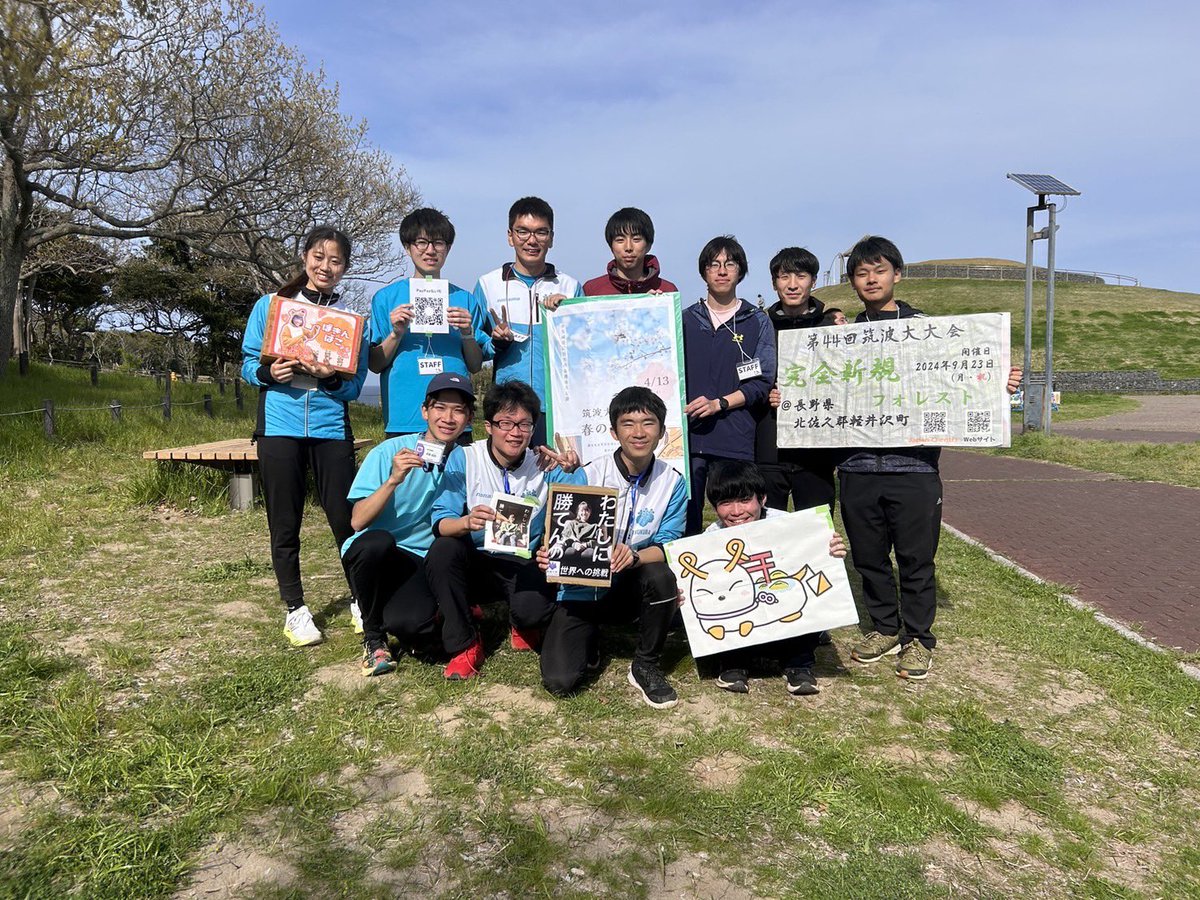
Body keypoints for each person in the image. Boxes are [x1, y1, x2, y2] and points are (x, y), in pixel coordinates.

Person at [838, 236, 1021, 680]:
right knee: (869, 557)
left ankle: (918, 639)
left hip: (915, 468)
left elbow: (960, 378)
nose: (871, 279)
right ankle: (884, 626)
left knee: (917, 559)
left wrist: (999, 384)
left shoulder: (927, 330)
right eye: (861, 274)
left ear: (896, 274)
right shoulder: (841, 336)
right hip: (856, 466)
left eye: (879, 271)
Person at [240, 226, 369, 647]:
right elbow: (246, 363)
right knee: (284, 521)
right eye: (318, 257)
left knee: (346, 519)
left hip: (332, 427)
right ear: (304, 258)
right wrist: (267, 373)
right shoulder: (272, 306)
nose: (325, 266)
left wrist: (332, 379)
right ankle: (295, 609)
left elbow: (353, 387)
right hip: (279, 426)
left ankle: (360, 600)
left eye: (335, 260)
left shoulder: (351, 322)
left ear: (345, 267)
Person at [538, 387, 688, 708]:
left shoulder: (673, 481)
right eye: (628, 423)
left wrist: (634, 557)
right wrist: (550, 553)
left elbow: (668, 544)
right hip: (582, 588)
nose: (638, 432)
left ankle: (645, 664)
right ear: (613, 431)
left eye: (648, 423)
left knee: (661, 575)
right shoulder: (588, 474)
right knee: (560, 681)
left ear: (662, 432)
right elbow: (559, 535)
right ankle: (589, 633)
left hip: (631, 587)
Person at [426, 380, 578, 679]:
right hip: (477, 558)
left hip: (523, 560)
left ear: (534, 428)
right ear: (488, 426)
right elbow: (441, 520)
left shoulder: (545, 463)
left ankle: (521, 622)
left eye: (524, 424)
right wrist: (466, 522)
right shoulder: (465, 457)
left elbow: (575, 511)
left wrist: (573, 469)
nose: (515, 432)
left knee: (532, 611)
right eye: (505, 423)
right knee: (443, 549)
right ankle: (465, 643)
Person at [340, 372, 475, 676]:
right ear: (425, 410)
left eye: (458, 410)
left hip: (421, 560)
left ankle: (417, 613)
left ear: (468, 419)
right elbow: (358, 520)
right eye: (440, 408)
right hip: (376, 556)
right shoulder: (389, 452)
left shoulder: (466, 460)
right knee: (376, 542)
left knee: (413, 626)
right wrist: (393, 479)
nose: (448, 418)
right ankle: (373, 637)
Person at [702, 460, 846, 696]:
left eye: (745, 500)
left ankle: (800, 665)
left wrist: (831, 553)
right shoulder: (711, 537)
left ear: (763, 498)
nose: (736, 511)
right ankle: (733, 665)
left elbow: (818, 567)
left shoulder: (787, 525)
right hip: (744, 623)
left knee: (802, 597)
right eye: (725, 503)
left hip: (785, 618)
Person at [368, 208, 489, 439]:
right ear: (407, 247)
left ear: (449, 248)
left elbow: (474, 365)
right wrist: (395, 334)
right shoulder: (385, 299)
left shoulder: (465, 300)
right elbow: (375, 364)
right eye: (421, 242)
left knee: (455, 475)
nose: (430, 250)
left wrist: (467, 333)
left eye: (439, 243)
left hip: (454, 420)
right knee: (405, 475)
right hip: (403, 418)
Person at [681, 235, 775, 534]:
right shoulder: (684, 319)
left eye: (729, 264)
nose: (721, 271)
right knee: (687, 519)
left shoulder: (757, 320)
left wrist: (719, 403)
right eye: (713, 264)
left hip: (735, 438)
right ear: (703, 272)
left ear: (740, 271)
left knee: (739, 518)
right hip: (689, 439)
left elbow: (762, 382)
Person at [474, 197, 582, 445]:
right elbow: (474, 350)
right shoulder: (487, 285)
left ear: (551, 238)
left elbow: (583, 351)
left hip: (557, 410)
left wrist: (566, 316)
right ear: (510, 236)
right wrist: (496, 343)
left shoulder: (570, 286)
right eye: (523, 231)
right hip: (507, 412)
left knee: (553, 478)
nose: (532, 240)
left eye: (541, 232)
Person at [756, 247, 837, 513]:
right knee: (766, 532)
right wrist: (764, 393)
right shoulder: (759, 328)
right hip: (769, 448)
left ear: (813, 281)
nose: (792, 285)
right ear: (773, 282)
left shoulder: (830, 328)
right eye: (784, 277)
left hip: (816, 452)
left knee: (816, 534)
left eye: (801, 276)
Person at [583, 207, 679, 296]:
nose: (628, 247)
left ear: (649, 245)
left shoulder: (667, 291)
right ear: (611, 246)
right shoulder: (592, 290)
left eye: (636, 239)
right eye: (620, 240)